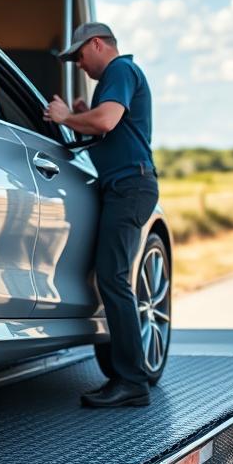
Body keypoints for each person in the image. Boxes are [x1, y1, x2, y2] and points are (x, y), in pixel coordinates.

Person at [44, 22, 159, 408]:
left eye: (79, 56)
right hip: (123, 186)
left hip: (130, 187)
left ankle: (131, 381)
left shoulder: (120, 70)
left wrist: (65, 117)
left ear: (97, 44)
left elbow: (107, 121)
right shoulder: (115, 77)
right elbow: (107, 125)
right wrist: (83, 115)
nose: (79, 65)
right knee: (110, 277)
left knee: (114, 278)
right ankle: (127, 376)